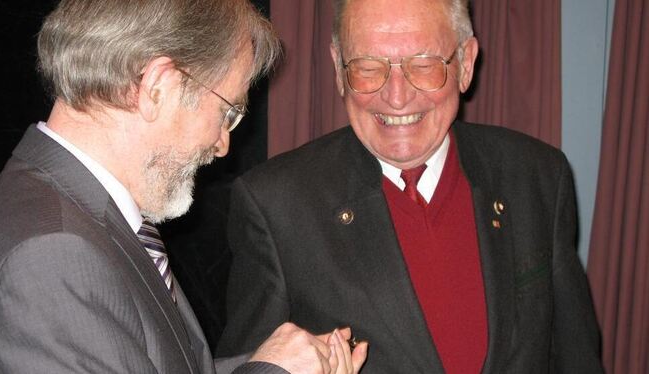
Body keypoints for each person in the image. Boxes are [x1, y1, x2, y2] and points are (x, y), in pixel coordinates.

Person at [0, 0, 366, 373]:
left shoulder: (65, 215)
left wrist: (277, 365)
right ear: (158, 87)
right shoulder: (53, 255)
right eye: (226, 111)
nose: (222, 144)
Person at [216, 0, 604, 372]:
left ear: (465, 64)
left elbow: (575, 358)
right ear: (338, 68)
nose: (397, 97)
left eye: (423, 64)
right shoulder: (276, 205)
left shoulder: (537, 176)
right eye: (368, 66)